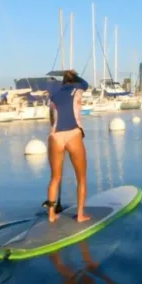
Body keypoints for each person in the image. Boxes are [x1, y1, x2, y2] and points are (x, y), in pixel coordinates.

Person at [45, 70, 90, 223]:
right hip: (72, 134)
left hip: (55, 136)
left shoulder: (54, 95)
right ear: (74, 79)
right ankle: (80, 215)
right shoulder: (77, 89)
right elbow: (85, 84)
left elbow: (52, 119)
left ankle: (51, 215)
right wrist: (73, 74)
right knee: (81, 178)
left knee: (54, 178)